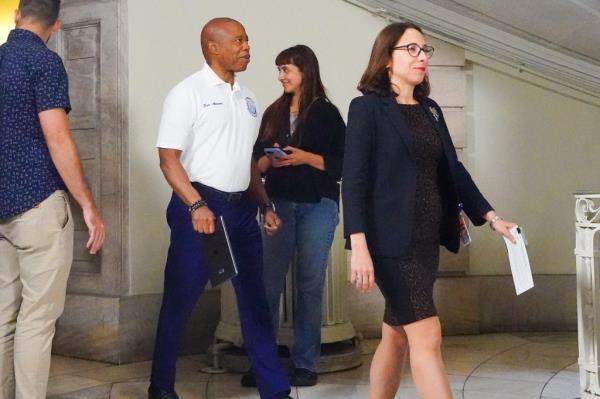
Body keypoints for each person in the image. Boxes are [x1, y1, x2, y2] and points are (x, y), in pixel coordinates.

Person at [342, 22, 517, 399]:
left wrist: (492, 217)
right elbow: (353, 181)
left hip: (424, 241)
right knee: (428, 335)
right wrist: (358, 246)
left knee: (396, 334)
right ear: (387, 58)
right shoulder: (367, 109)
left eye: (425, 51)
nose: (422, 57)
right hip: (389, 244)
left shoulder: (430, 110)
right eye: (412, 50)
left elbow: (453, 170)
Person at [149, 17, 292, 399]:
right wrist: (196, 204)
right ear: (213, 47)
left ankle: (275, 390)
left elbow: (246, 159)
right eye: (239, 41)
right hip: (199, 208)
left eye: (247, 40)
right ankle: (160, 389)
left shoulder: (248, 97)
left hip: (242, 209)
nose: (247, 47)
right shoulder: (187, 92)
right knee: (180, 302)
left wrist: (264, 205)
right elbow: (168, 159)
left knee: (256, 303)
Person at [0, 0, 106, 398]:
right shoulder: (44, 63)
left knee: (3, 316)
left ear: (16, 15)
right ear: (57, 25)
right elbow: (57, 137)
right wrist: (88, 206)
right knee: (37, 319)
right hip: (38, 203)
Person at [248, 45, 345, 387]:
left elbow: (344, 164)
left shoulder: (328, 114)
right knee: (267, 285)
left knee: (310, 285)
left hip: (318, 204)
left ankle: (306, 363)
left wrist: (306, 157)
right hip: (279, 205)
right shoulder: (274, 111)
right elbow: (256, 162)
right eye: (279, 70)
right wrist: (268, 162)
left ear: (305, 70)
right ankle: (262, 361)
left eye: (286, 69)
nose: (281, 76)